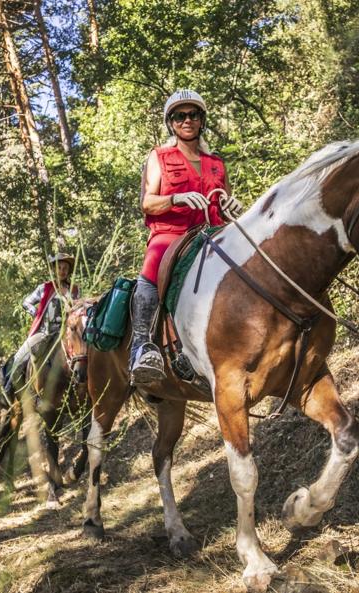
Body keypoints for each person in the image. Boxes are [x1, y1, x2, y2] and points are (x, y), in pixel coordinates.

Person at [129, 89, 243, 385]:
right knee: (155, 262)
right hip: (171, 234)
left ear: (202, 120)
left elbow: (223, 203)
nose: (187, 120)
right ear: (171, 123)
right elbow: (147, 202)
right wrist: (177, 198)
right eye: (180, 116)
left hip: (213, 233)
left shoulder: (216, 163)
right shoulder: (159, 157)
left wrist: (232, 208)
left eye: (193, 115)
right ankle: (142, 345)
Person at [4, 253, 81, 396]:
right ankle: (8, 388)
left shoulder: (74, 289)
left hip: (67, 332)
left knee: (84, 353)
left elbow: (79, 308)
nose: (62, 271)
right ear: (54, 270)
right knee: (20, 357)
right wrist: (38, 313)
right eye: (59, 268)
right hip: (45, 331)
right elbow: (26, 302)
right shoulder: (44, 288)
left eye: (65, 268)